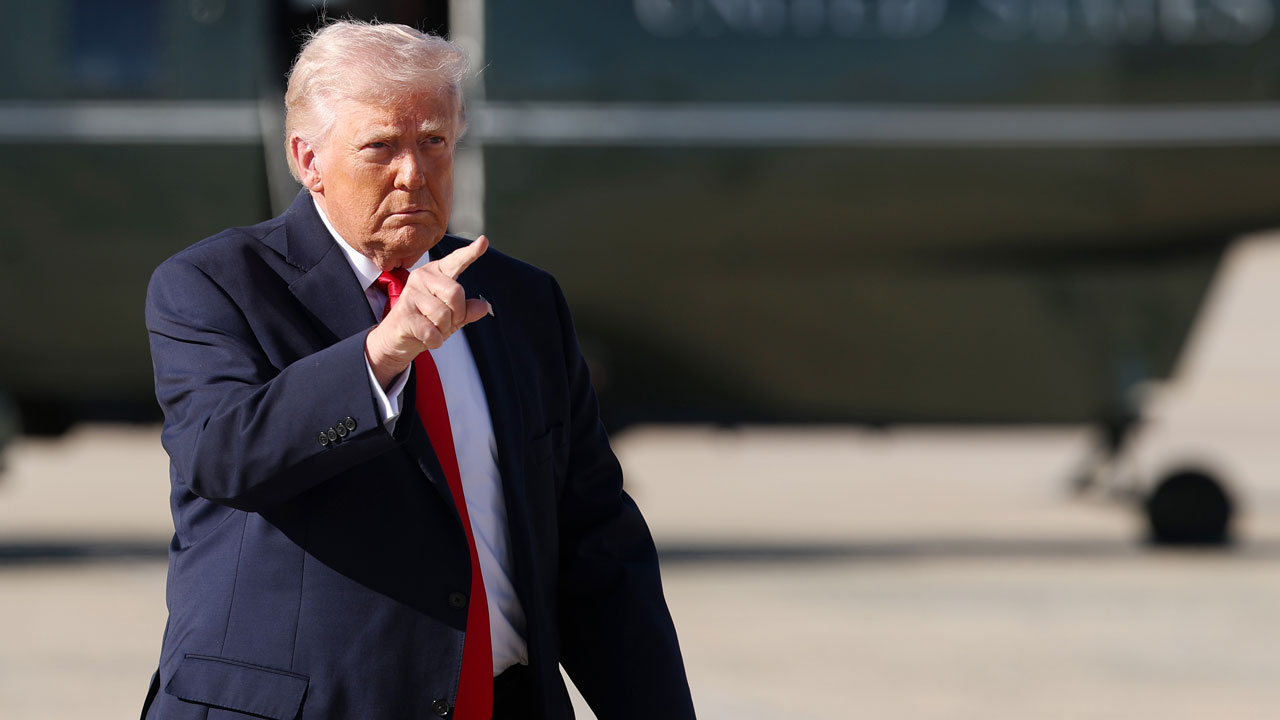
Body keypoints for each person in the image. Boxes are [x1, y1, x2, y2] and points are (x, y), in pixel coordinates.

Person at [141, 19, 695, 720]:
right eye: (380, 147)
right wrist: (380, 357)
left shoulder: (520, 299)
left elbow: (596, 546)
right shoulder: (215, 284)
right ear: (307, 159)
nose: (413, 171)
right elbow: (224, 456)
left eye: (433, 141)